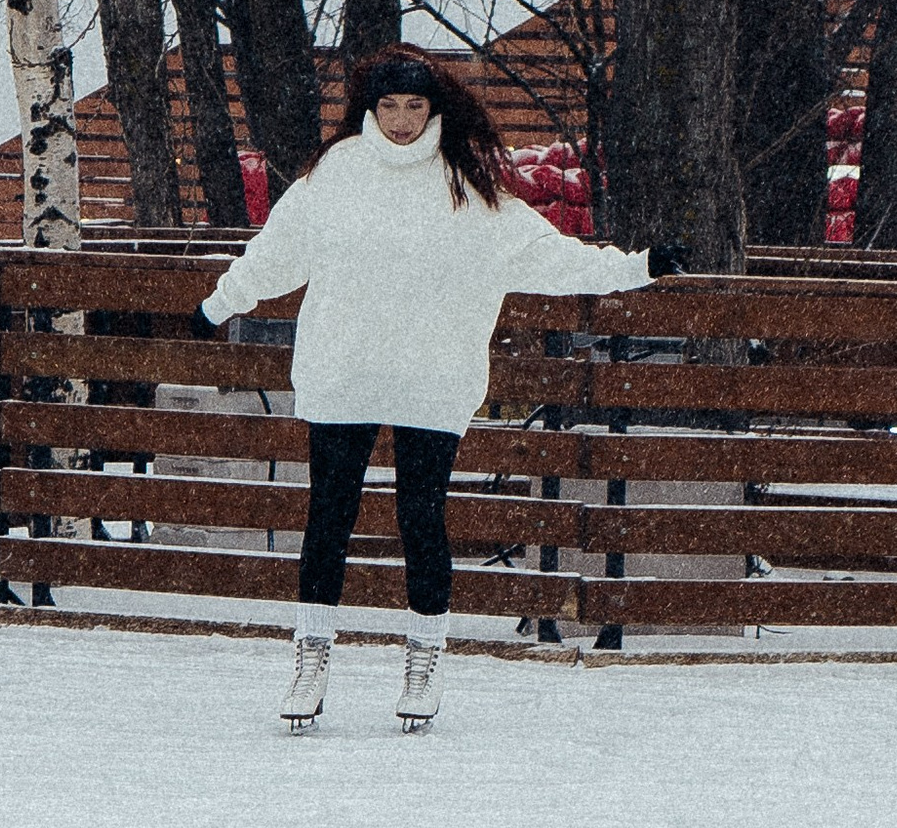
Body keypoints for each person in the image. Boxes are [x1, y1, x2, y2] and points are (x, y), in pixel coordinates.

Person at [197, 51, 659, 730]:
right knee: (330, 515)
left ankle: (424, 658)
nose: (403, 120)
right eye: (389, 107)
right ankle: (312, 656)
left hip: (431, 374)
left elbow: (548, 255)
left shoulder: (467, 186)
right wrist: (220, 302)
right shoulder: (335, 177)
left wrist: (639, 268)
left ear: (435, 109)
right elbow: (277, 252)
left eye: (415, 107)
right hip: (345, 367)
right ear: (369, 110)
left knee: (422, 517)